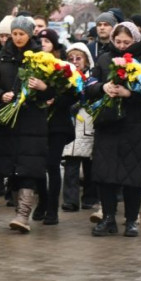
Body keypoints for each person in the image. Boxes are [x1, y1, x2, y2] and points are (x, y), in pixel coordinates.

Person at [86, 22, 141, 237]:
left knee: (132, 176)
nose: (122, 46)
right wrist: (102, 87)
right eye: (118, 41)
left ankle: (132, 220)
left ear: (136, 40)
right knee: (106, 173)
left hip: (137, 125)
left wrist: (130, 94)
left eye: (127, 42)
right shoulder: (105, 58)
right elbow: (89, 83)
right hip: (109, 124)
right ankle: (108, 218)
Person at [0, 16, 54, 233]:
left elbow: (55, 88)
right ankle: (19, 210)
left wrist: (43, 87)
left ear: (30, 35)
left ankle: (23, 214)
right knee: (12, 168)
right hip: (8, 122)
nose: (17, 38)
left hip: (32, 121)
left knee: (30, 168)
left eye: (21, 34)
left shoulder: (41, 57)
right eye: (14, 34)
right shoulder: (2, 56)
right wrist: (1, 95)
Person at [32, 29, 74, 226]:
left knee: (52, 164)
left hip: (58, 124)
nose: (42, 44)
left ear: (55, 45)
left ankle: (52, 208)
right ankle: (42, 201)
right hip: (38, 122)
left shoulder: (64, 67)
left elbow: (72, 95)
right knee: (39, 166)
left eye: (47, 41)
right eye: (40, 40)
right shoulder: (34, 64)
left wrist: (50, 94)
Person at [61, 43, 98, 212]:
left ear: (86, 60)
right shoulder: (64, 77)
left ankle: (89, 197)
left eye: (78, 58)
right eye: (71, 59)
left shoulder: (92, 78)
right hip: (70, 123)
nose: (75, 62)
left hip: (87, 122)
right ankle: (70, 199)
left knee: (89, 164)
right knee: (71, 163)